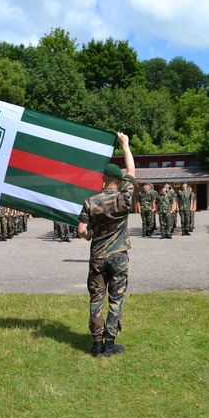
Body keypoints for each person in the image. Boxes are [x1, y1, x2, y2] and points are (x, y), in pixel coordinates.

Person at [77, 132, 135, 358]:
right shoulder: (124, 198)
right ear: (118, 182)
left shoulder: (90, 202)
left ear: (103, 180)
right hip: (119, 256)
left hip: (98, 258)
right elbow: (131, 171)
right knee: (116, 299)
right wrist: (125, 145)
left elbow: (82, 231)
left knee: (96, 299)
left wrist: (92, 234)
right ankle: (110, 345)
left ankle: (96, 345)